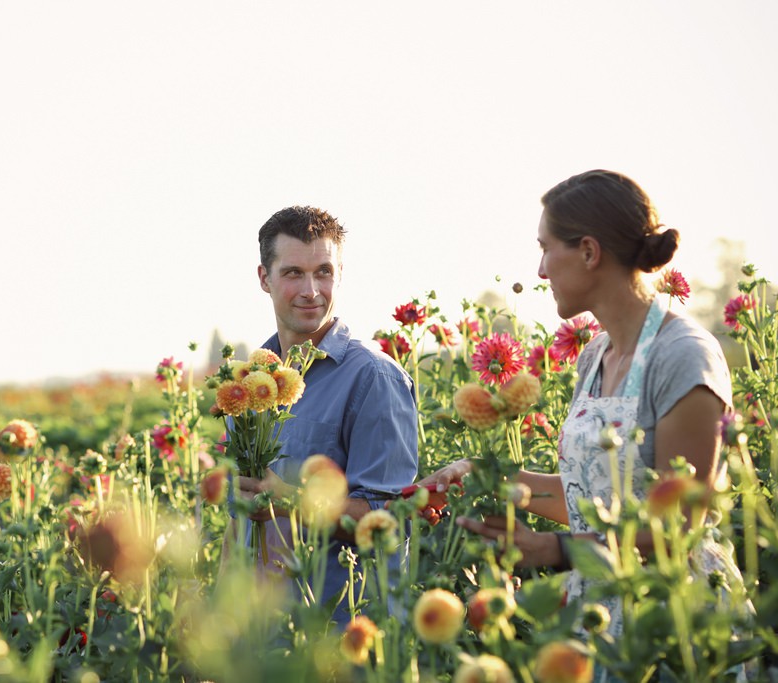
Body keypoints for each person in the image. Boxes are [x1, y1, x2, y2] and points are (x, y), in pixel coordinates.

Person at [418, 170, 747, 658]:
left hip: (676, 618)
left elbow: (680, 526)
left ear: (589, 252)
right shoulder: (596, 355)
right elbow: (590, 496)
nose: (540, 271)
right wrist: (490, 477)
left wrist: (556, 550)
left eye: (546, 248)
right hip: (601, 618)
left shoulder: (682, 356)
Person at [234, 205, 419, 627]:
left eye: (324, 271)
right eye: (294, 273)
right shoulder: (249, 384)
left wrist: (291, 501)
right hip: (262, 636)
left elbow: (390, 521)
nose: (312, 290)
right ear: (264, 278)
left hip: (341, 634)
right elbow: (242, 523)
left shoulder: (373, 377)